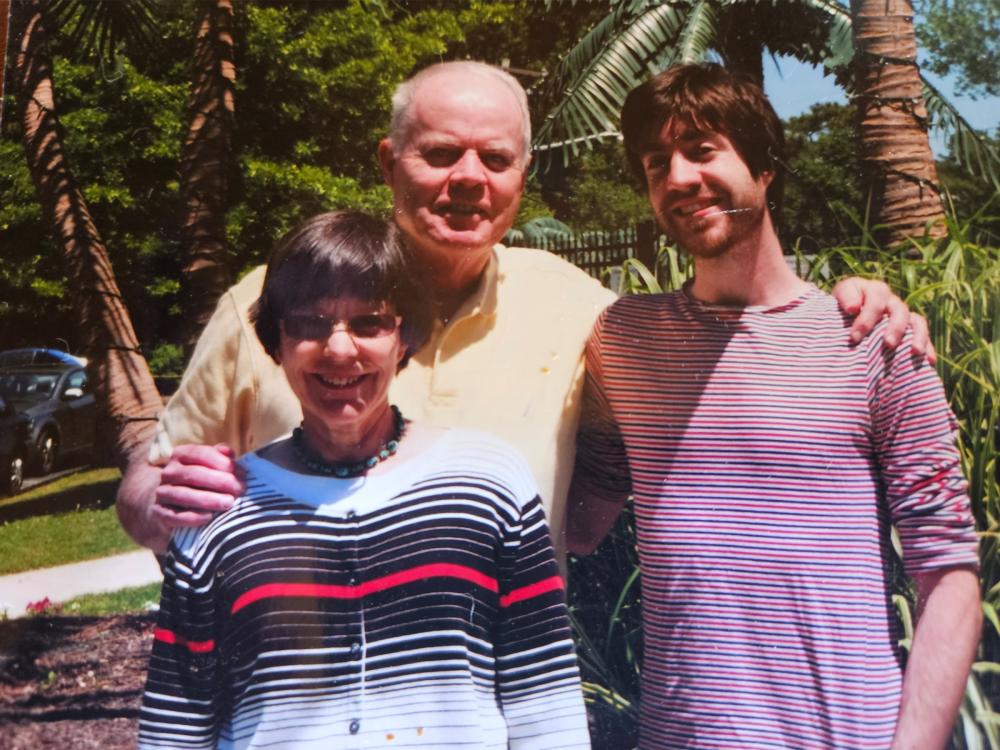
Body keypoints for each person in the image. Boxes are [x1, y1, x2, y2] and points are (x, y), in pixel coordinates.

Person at [116, 60, 925, 561]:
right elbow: (142, 493)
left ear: (522, 175)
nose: (469, 178)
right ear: (388, 162)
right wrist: (158, 504)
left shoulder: (580, 310)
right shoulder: (267, 303)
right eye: (440, 154)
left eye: (495, 159)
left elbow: (726, 338)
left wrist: (856, 308)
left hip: (505, 704)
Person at [566, 63, 981, 749]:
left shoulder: (875, 338)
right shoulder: (621, 341)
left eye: (702, 151)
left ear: (764, 169)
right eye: (655, 164)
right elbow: (579, 523)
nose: (677, 179)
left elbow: (949, 574)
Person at [137, 211, 591, 749]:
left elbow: (546, 708)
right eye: (309, 322)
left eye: (370, 323)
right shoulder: (221, 510)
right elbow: (175, 729)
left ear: (406, 336)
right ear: (275, 342)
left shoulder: (490, 484)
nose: (339, 348)